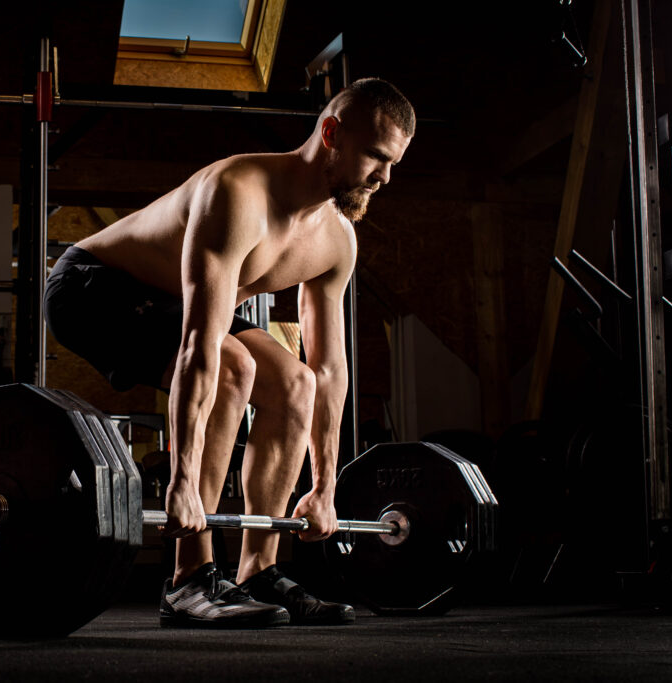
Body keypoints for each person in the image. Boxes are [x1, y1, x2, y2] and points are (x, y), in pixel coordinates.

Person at [45, 77, 414, 628]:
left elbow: (329, 370)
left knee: (294, 383)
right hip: (94, 286)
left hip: (172, 299)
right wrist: (183, 485)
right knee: (234, 364)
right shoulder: (239, 193)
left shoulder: (337, 239)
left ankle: (257, 572)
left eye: (393, 163)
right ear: (332, 133)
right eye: (376, 157)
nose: (384, 177)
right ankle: (187, 579)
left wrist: (324, 489)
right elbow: (200, 347)